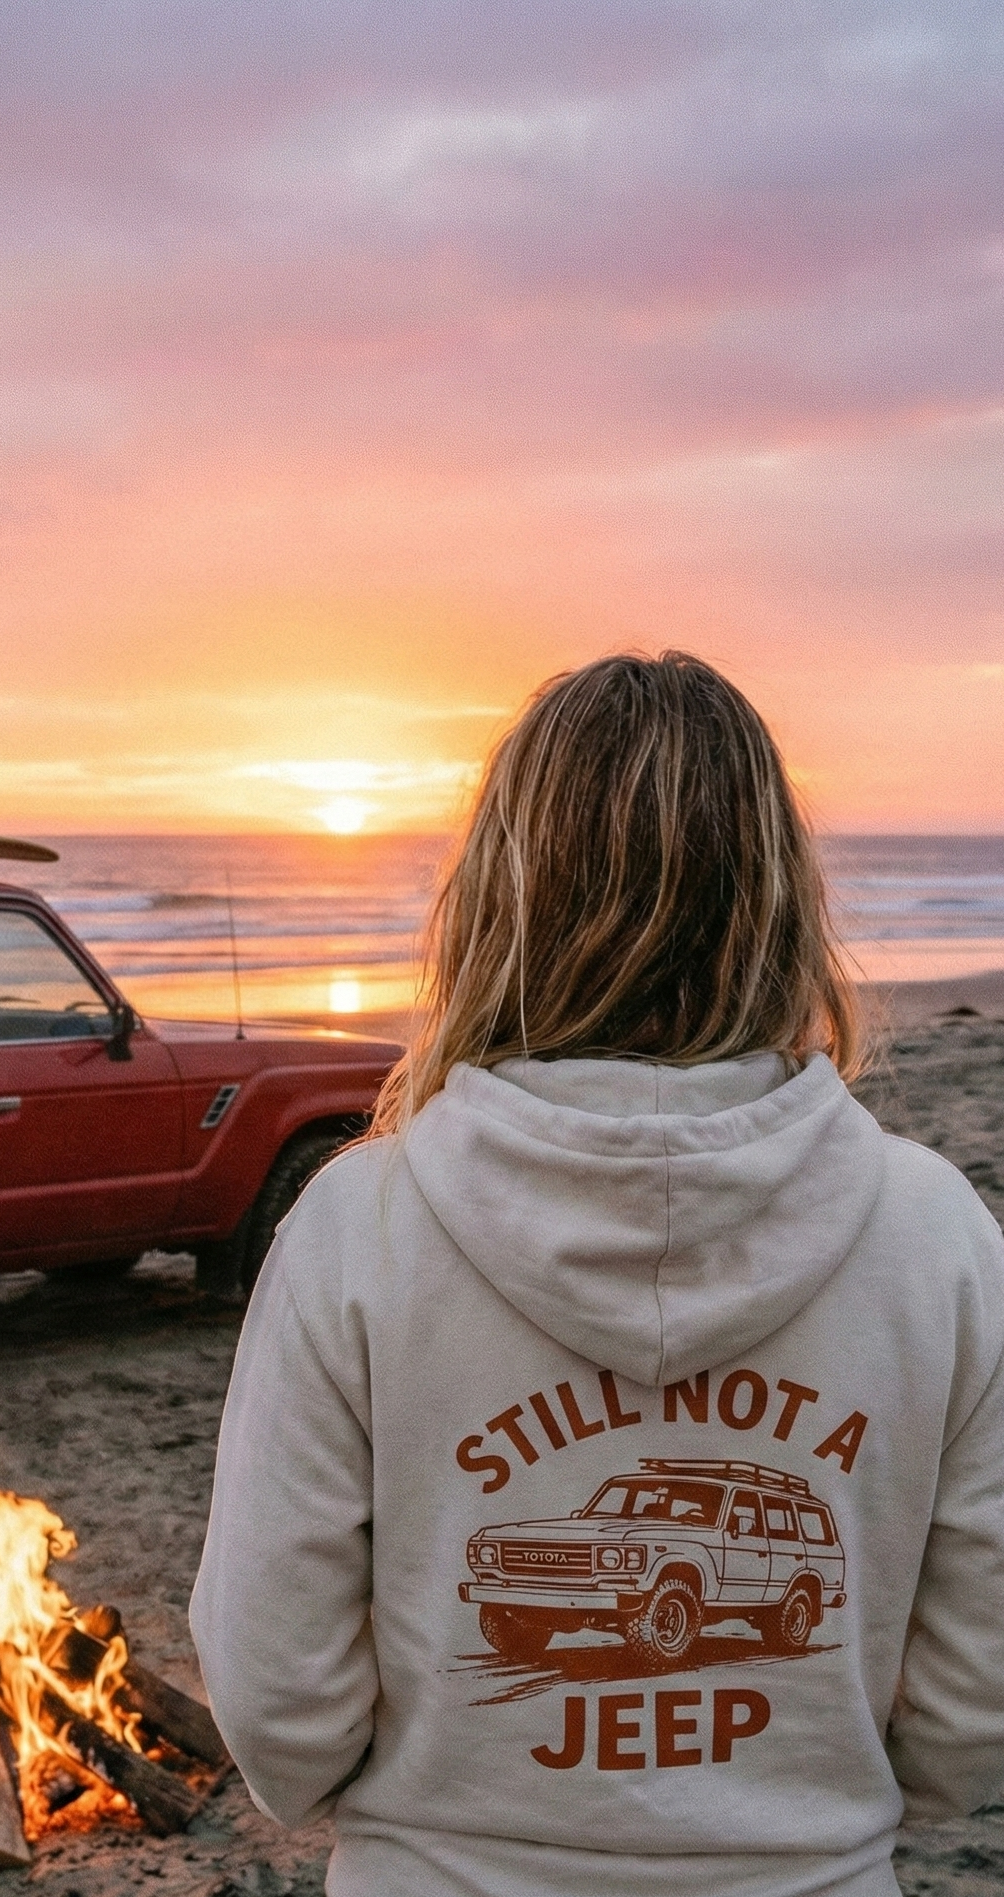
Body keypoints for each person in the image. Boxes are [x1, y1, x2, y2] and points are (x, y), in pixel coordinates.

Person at [190, 652, 1004, 1897]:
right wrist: (812, 1796)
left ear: (500, 903)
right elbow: (976, 1695)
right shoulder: (935, 1234)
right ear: (778, 898)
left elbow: (274, 1691)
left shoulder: (362, 1225)